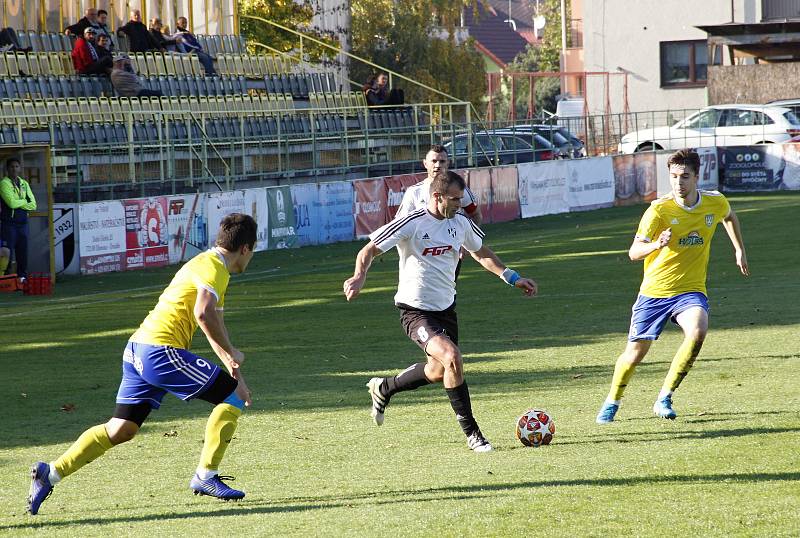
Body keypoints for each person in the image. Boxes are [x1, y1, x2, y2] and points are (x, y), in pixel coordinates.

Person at [27, 213, 257, 515]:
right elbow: (203, 315)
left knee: (121, 429)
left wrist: (232, 365)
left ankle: (51, 473)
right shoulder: (214, 267)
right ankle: (206, 476)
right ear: (246, 248)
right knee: (232, 398)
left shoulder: (209, 265)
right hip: (160, 351)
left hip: (138, 349)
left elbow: (215, 322)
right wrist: (231, 359)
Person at [343, 171, 538, 453]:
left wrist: (512, 277)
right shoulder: (411, 222)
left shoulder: (460, 223)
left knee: (438, 370)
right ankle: (473, 434)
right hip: (415, 310)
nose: (461, 205)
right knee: (452, 357)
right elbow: (368, 250)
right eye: (455, 199)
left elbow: (481, 252)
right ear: (437, 197)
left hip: (446, 309)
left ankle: (384, 388)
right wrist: (359, 276)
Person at [595, 149, 750, 424]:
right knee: (634, 355)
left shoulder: (714, 201)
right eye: (674, 176)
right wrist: (657, 244)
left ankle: (664, 397)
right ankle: (612, 401)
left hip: (690, 290)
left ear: (697, 177)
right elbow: (633, 252)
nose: (678, 183)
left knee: (699, 330)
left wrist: (739, 249)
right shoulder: (659, 209)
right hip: (654, 292)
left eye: (685, 176)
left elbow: (729, 216)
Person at [397, 144, 482, 278]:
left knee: (448, 293)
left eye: (442, 161)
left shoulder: (459, 190)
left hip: (449, 249)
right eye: (434, 161)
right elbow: (400, 224)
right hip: (422, 254)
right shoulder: (414, 192)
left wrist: (466, 243)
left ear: (448, 163)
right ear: (425, 163)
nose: (438, 165)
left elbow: (475, 214)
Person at [0, 158, 36, 280]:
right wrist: (24, 202)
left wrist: (20, 202)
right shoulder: (4, 183)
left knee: (22, 251)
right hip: (9, 223)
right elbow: (11, 203)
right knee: (7, 251)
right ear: (7, 169)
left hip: (23, 223)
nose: (14, 169)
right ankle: (6, 278)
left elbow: (33, 205)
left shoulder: (24, 183)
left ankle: (22, 277)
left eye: (16, 166)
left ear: (20, 169)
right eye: (11, 167)